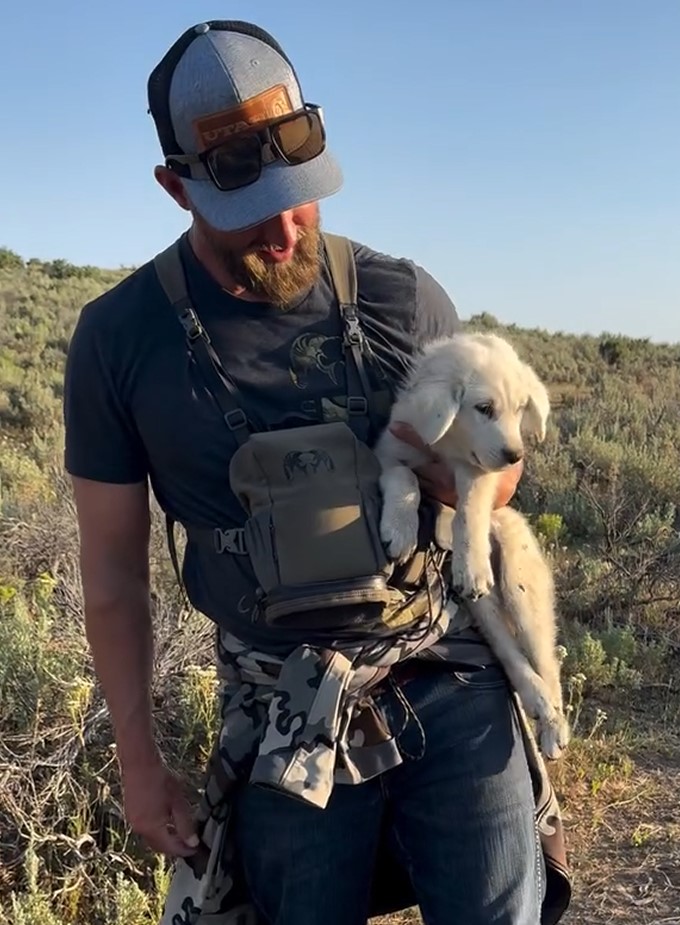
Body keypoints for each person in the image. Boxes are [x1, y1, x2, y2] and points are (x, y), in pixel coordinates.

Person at [63, 19, 571, 925]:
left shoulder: (400, 296)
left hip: (449, 678)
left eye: (301, 193)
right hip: (284, 710)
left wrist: (457, 476)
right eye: (249, 208)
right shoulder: (118, 339)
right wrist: (138, 765)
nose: (287, 223)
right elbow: (110, 574)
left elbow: (500, 479)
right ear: (175, 186)